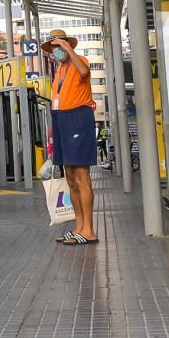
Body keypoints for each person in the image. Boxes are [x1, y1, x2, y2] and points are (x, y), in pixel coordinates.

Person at [43, 28, 98, 245]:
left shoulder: (79, 61)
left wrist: (68, 49)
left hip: (78, 118)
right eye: (53, 47)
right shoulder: (59, 71)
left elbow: (84, 72)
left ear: (67, 45)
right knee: (70, 177)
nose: (56, 50)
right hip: (61, 119)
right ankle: (79, 227)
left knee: (81, 175)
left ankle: (89, 230)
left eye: (59, 45)